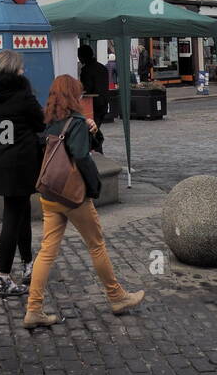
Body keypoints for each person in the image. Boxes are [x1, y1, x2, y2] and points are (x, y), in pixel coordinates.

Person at [23, 74, 144, 329]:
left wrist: (92, 131)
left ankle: (33, 309)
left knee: (46, 251)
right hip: (73, 197)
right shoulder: (76, 122)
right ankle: (116, 296)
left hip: (50, 194)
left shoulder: (50, 121)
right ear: (73, 96)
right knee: (96, 244)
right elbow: (81, 155)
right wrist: (94, 185)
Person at [0, 50, 45, 298]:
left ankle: (28, 263)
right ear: (14, 70)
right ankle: (3, 276)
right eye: (20, 68)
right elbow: (40, 123)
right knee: (12, 217)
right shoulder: (23, 96)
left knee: (21, 211)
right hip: (20, 161)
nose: (24, 70)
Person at [78, 43, 109, 128]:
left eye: (79, 56)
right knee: (95, 128)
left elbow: (87, 88)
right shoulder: (103, 68)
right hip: (104, 103)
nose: (79, 59)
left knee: (91, 131)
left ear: (83, 57)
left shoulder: (86, 70)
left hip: (92, 105)